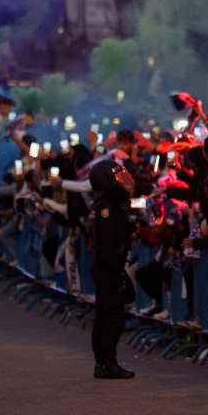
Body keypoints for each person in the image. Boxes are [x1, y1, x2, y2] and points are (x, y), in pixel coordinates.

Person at [89, 160, 137, 379]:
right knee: (115, 316)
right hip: (107, 268)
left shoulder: (110, 204)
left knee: (103, 315)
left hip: (106, 267)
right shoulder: (107, 207)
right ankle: (109, 363)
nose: (122, 180)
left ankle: (102, 364)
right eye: (116, 177)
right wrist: (115, 272)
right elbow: (107, 244)